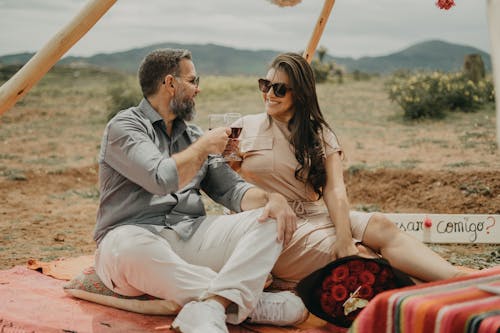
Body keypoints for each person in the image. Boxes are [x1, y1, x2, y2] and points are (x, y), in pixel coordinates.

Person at [93, 49, 309, 333]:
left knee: (269, 218)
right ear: (170, 84)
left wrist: (273, 199)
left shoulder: (193, 136)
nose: (199, 88)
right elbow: (160, 178)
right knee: (128, 246)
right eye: (193, 80)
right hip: (133, 240)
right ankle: (249, 303)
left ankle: (212, 306)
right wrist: (204, 147)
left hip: (189, 235)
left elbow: (233, 191)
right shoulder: (125, 127)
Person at [235, 52, 466, 284]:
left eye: (279, 89)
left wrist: (344, 236)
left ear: (301, 94)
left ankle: (459, 278)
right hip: (274, 223)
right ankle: (425, 296)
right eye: (265, 85)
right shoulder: (243, 127)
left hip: (314, 214)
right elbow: (226, 183)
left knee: (380, 225)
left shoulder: (318, 133)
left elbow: (335, 191)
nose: (269, 94)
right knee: (361, 257)